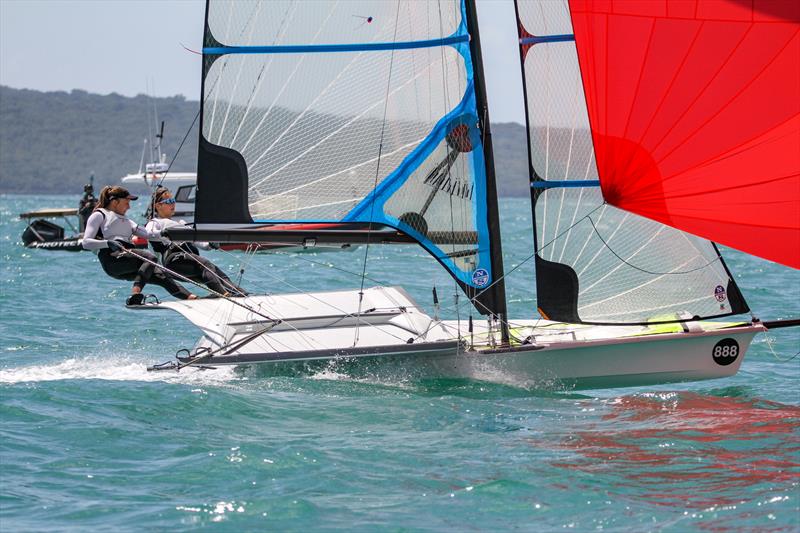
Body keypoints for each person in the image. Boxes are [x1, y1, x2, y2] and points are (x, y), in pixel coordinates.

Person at [81, 186, 197, 305]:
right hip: (112, 259)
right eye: (126, 203)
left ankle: (191, 298)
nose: (129, 206)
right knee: (150, 258)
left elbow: (147, 234)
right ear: (115, 202)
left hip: (127, 259)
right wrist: (108, 243)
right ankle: (135, 294)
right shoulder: (99, 215)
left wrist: (163, 233)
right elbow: (86, 243)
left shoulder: (127, 221)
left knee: (162, 276)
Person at [146, 187, 247, 297]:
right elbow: (148, 233)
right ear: (158, 206)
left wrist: (209, 245)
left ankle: (241, 294)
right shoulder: (155, 222)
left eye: (173, 201)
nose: (173, 204)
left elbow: (196, 241)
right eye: (169, 202)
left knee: (216, 272)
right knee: (206, 265)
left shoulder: (181, 223)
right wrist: (162, 233)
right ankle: (225, 295)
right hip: (172, 261)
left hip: (187, 261)